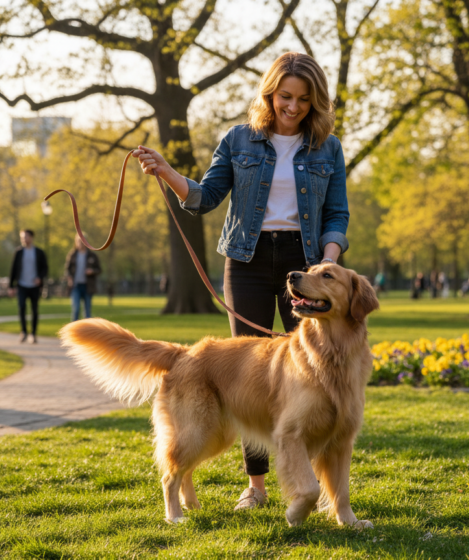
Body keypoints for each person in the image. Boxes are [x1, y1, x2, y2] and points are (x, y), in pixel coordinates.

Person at [132, 52, 349, 512]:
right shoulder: (239, 140)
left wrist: (327, 268)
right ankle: (257, 486)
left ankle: (311, 479)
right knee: (249, 375)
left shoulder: (327, 148)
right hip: (247, 259)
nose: (293, 107)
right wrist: (168, 172)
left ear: (316, 101)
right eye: (285, 96)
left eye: (304, 100)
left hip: (303, 264)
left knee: (306, 374)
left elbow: (337, 213)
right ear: (270, 92)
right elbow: (207, 196)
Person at [8, 229, 48, 343]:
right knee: (21, 308)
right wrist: (11, 286)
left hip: (34, 286)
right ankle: (24, 332)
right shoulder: (18, 252)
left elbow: (45, 268)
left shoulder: (39, 252)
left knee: (34, 310)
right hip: (22, 285)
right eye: (22, 237)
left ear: (31, 237)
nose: (24, 239)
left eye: (25, 237)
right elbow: (13, 269)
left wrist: (39, 278)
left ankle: (33, 334)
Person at [64, 234, 102, 321]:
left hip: (87, 286)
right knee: (76, 309)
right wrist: (69, 278)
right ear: (76, 242)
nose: (80, 243)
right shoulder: (72, 255)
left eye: (82, 241)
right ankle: (74, 332)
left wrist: (92, 271)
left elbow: (99, 269)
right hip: (76, 286)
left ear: (86, 242)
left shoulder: (92, 255)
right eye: (79, 241)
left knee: (87, 312)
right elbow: (67, 269)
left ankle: (87, 333)